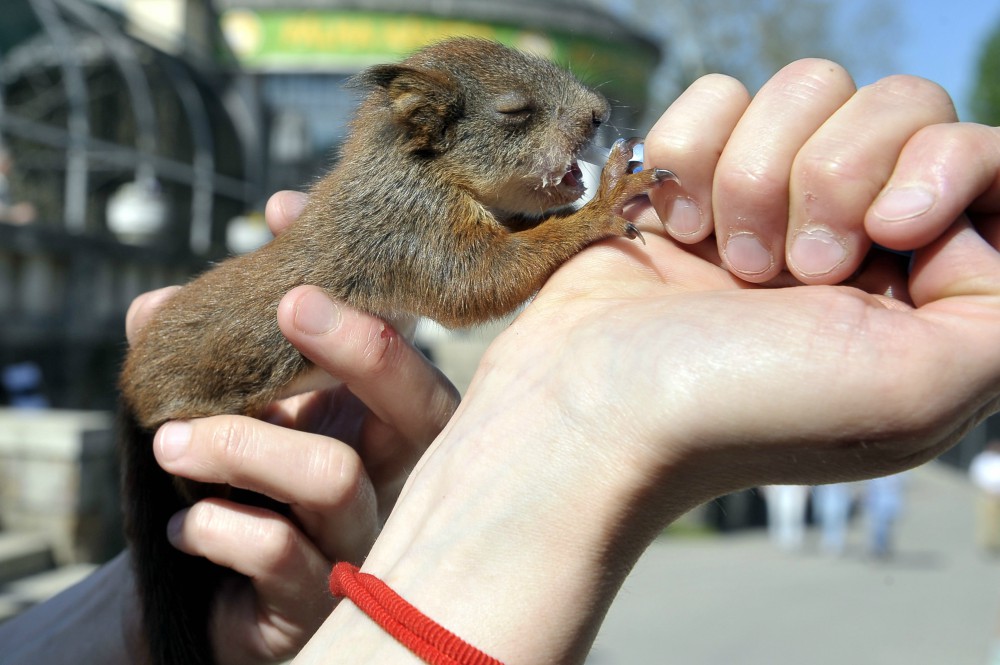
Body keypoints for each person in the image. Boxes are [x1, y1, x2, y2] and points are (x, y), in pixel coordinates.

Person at [3, 57, 1000, 664]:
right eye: (520, 118)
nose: (575, 125)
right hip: (186, 384)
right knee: (176, 571)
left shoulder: (433, 204)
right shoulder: (403, 209)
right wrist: (594, 218)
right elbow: (473, 286)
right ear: (428, 134)